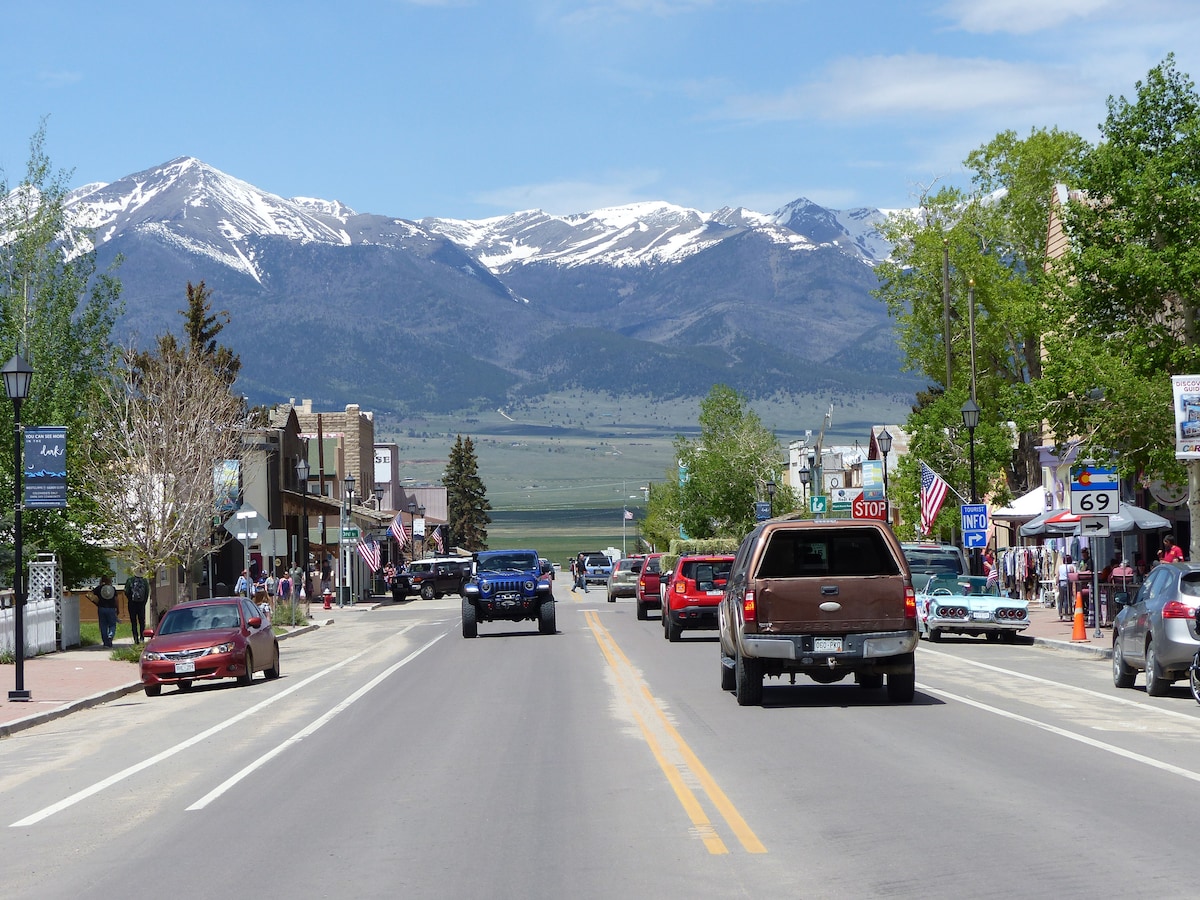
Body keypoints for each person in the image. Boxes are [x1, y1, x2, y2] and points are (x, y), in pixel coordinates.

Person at [90, 575, 119, 648]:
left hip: (101, 608)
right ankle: (110, 636)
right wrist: (118, 609)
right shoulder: (112, 588)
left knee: (103, 625)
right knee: (112, 624)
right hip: (111, 608)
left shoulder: (99, 588)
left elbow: (90, 594)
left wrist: (96, 601)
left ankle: (106, 643)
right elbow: (116, 600)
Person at [126, 571, 150, 644]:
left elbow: (126, 591)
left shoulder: (130, 580)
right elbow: (147, 592)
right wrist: (144, 602)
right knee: (142, 621)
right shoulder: (145, 581)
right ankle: (142, 637)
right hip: (141, 604)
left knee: (133, 622)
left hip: (132, 604)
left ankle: (135, 638)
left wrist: (130, 599)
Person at [1056, 554, 1075, 621]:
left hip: (1061, 582)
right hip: (1068, 582)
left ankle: (1060, 613)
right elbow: (1073, 574)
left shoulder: (1060, 567)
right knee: (1068, 598)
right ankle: (1067, 613)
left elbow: (1058, 575)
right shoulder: (1071, 566)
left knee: (1061, 599)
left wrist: (1057, 583)